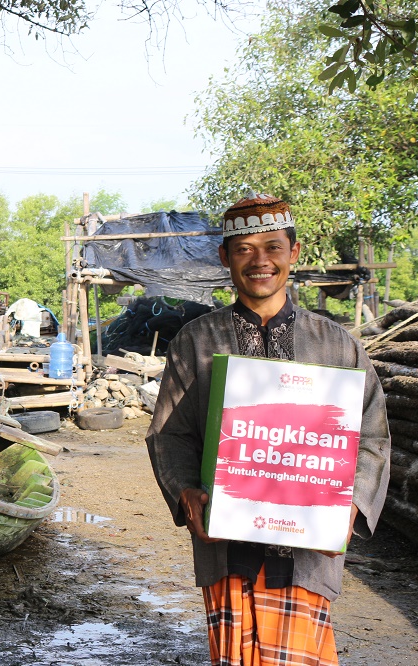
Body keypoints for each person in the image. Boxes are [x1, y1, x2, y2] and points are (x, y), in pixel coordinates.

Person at [146, 192, 391, 665]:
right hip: (227, 546)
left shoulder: (337, 346)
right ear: (225, 258)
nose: (260, 261)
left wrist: (352, 505)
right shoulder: (195, 343)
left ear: (293, 253)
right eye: (244, 249)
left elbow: (373, 436)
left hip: (306, 550)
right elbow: (169, 434)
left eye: (273, 247)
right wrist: (186, 493)